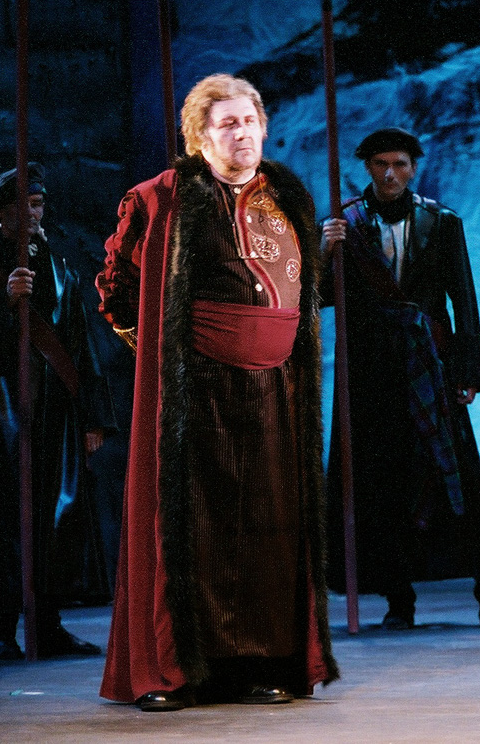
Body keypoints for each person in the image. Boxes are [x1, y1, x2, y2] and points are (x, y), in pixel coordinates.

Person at [96, 74, 338, 711]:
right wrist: (166, 350)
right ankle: (180, 670)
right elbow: (117, 288)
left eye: (250, 122)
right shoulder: (160, 199)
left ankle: (260, 666)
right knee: (195, 531)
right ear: (199, 135)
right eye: (227, 124)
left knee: (269, 529)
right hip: (197, 391)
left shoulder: (285, 196)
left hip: (277, 391)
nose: (243, 134)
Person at [319, 127, 480, 630]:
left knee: (457, 474)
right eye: (381, 164)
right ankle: (398, 599)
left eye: (400, 164)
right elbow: (320, 298)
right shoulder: (344, 224)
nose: (390, 174)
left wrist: (470, 369)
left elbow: (463, 296)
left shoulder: (441, 221)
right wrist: (324, 251)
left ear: (414, 168)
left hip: (431, 360)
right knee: (381, 482)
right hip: (370, 369)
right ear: (367, 168)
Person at [0, 163, 115, 660]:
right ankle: (3, 631)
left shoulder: (58, 266)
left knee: (56, 515)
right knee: (3, 518)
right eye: (28, 205)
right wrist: (1, 301)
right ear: (3, 211)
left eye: (40, 204)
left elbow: (80, 342)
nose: (37, 213)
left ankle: (49, 624)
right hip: (0, 412)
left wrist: (93, 416)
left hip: (55, 411)